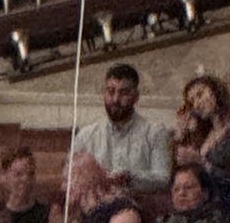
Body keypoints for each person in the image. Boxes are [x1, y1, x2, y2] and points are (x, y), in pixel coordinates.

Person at [73, 62, 172, 192]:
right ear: (104, 92)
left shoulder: (155, 132)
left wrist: (131, 179)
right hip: (97, 202)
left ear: (136, 96)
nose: (115, 99)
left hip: (138, 201)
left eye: (124, 93)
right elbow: (71, 178)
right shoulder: (86, 135)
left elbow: (163, 178)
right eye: (111, 91)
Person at [172, 73, 230, 196]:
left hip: (229, 198)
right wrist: (180, 135)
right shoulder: (205, 133)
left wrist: (202, 162)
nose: (197, 104)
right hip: (203, 198)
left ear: (216, 92)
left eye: (200, 94)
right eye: (192, 102)